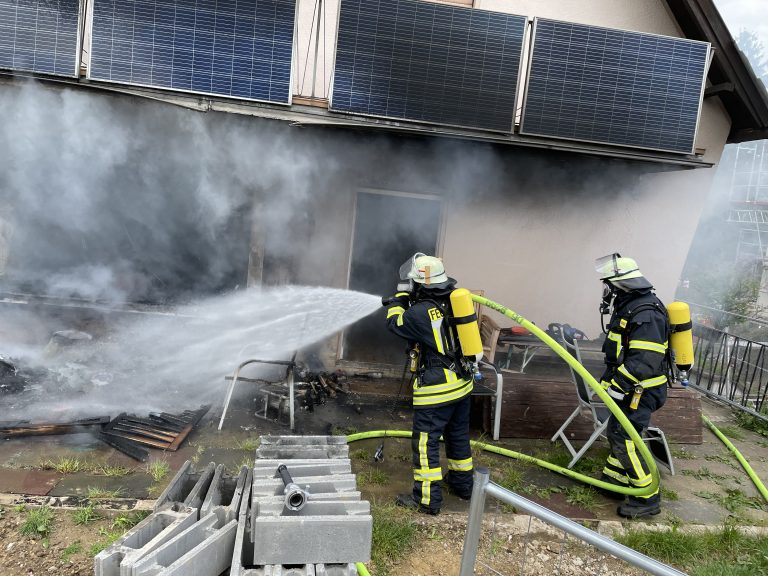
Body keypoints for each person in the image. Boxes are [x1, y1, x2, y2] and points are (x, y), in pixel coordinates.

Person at [382, 253, 474, 515]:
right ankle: (463, 485)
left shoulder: (420, 312)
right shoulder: (454, 299)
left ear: (420, 284)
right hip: (462, 383)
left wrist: (398, 301)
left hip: (437, 389)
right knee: (457, 436)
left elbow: (395, 323)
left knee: (425, 443)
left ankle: (426, 499)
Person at [595, 253, 670, 518]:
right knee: (618, 431)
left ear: (619, 284)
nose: (605, 290)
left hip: (641, 389)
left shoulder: (646, 313)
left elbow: (644, 360)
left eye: (607, 284)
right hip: (633, 387)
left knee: (624, 436)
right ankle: (615, 479)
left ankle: (647, 496)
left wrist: (618, 384)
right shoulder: (631, 305)